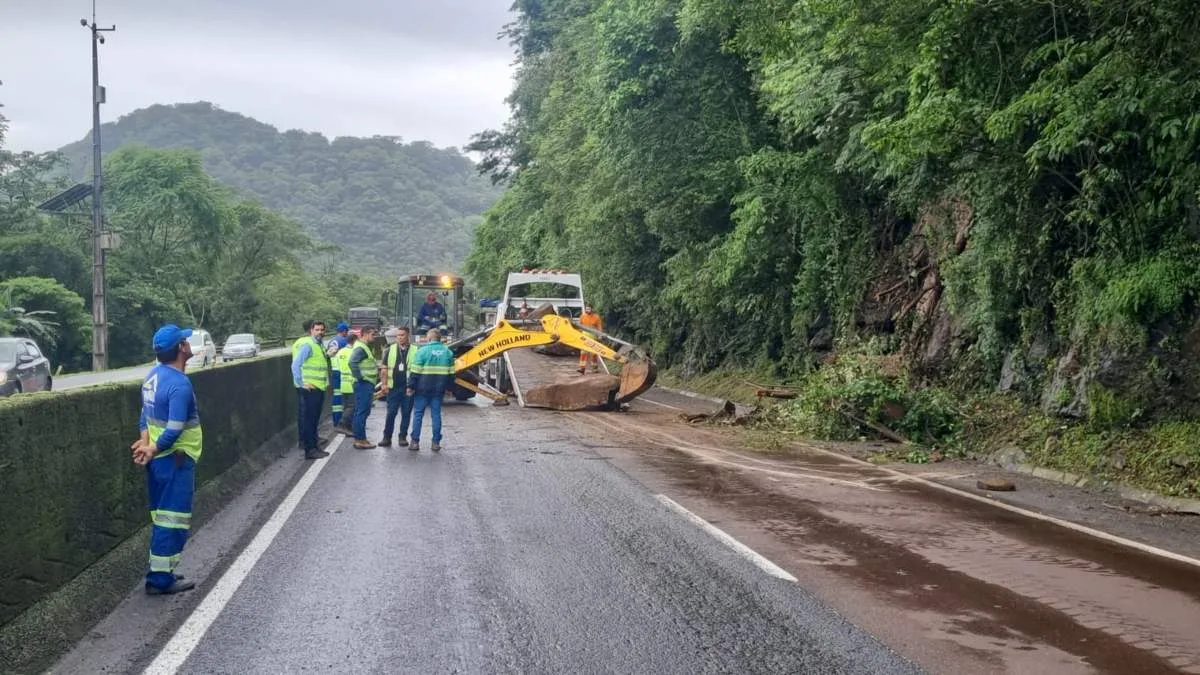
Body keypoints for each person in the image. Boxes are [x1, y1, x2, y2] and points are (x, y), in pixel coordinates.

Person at [131, 324, 202, 595]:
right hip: (175, 460)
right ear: (182, 348)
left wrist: (146, 443)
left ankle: (163, 571)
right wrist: (153, 447)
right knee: (172, 520)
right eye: (185, 340)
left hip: (159, 461)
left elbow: (144, 415)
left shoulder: (153, 376)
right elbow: (174, 427)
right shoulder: (179, 384)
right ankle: (160, 580)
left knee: (162, 517)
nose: (188, 342)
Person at [407, 328, 455, 452]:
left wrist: (411, 387)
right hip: (438, 390)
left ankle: (415, 442)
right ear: (440, 339)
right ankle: (435, 443)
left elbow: (415, 371)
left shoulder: (422, 351)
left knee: (418, 414)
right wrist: (449, 388)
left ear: (429, 338)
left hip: (422, 389)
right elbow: (451, 374)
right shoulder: (448, 352)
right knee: (436, 415)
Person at [291, 320, 330, 460]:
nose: (320, 332)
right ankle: (310, 450)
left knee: (313, 420)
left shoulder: (319, 345)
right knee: (309, 420)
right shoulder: (308, 345)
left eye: (322, 330)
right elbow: (295, 365)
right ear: (311, 331)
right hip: (310, 389)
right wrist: (301, 383)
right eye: (317, 330)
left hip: (318, 387)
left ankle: (315, 447)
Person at [379, 326, 417, 448]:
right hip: (393, 387)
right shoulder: (390, 349)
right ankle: (387, 437)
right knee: (391, 413)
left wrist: (415, 386)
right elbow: (384, 368)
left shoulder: (415, 350)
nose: (399, 337)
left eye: (402, 335)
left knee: (406, 413)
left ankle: (402, 437)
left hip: (408, 388)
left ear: (408, 336)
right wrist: (384, 384)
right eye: (398, 335)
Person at [349, 325, 380, 449]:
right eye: (373, 334)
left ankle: (360, 438)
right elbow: (352, 362)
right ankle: (360, 440)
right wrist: (360, 377)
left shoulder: (363, 347)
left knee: (360, 411)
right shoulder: (361, 348)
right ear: (365, 334)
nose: (374, 337)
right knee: (362, 411)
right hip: (364, 383)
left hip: (365, 383)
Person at [334, 329, 359, 435]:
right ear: (354, 341)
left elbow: (337, 367)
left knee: (347, 406)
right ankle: (342, 424)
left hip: (343, 382)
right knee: (353, 406)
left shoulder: (340, 352)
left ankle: (348, 427)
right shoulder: (354, 352)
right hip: (352, 382)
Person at [578, 303, 604, 374]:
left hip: (593, 337)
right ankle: (582, 368)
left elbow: (599, 327)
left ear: (592, 309)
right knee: (583, 353)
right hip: (584, 338)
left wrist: (600, 335)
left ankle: (595, 368)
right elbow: (579, 326)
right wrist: (578, 335)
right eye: (586, 309)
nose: (587, 310)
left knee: (594, 354)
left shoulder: (596, 317)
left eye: (589, 309)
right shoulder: (582, 316)